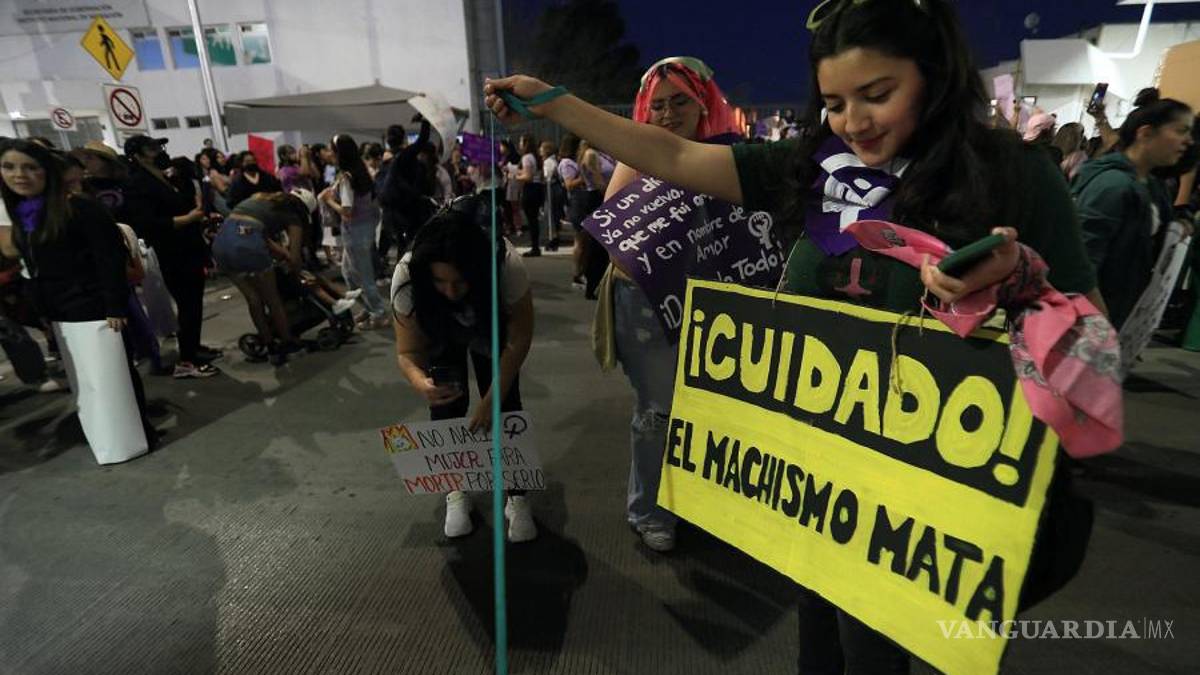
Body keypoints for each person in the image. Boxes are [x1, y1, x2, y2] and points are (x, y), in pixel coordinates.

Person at [486, 0, 1107, 670]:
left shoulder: (1016, 178)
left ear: (936, 75)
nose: (853, 123)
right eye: (835, 102)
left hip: (926, 498)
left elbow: (1095, 356)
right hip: (820, 491)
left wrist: (1018, 281)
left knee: (873, 651)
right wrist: (554, 102)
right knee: (820, 645)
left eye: (877, 94)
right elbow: (671, 153)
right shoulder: (819, 167)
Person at [594, 55, 742, 553]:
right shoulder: (637, 156)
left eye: (680, 101)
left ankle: (695, 501)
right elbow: (615, 236)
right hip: (646, 303)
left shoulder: (725, 155)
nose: (667, 113)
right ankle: (650, 510)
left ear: (703, 104)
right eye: (657, 104)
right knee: (657, 410)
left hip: (715, 302)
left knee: (707, 408)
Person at [390, 198, 537, 542]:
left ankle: (516, 495)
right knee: (444, 400)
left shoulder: (505, 264)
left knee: (505, 402)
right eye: (441, 281)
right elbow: (408, 351)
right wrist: (420, 382)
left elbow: (520, 337)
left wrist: (494, 394)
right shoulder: (408, 275)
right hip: (439, 327)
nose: (451, 290)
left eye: (460, 281)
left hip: (490, 320)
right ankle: (455, 489)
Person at [1, 139, 156, 462]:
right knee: (88, 382)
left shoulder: (79, 206)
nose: (20, 175)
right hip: (58, 311)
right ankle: (108, 438)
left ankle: (132, 437)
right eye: (9, 167)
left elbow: (108, 257)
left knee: (112, 377)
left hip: (91, 307)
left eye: (30, 167)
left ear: (47, 171)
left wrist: (114, 305)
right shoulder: (27, 212)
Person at [1072, 88, 1194, 330]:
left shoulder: (1150, 184)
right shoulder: (1113, 186)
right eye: (1180, 131)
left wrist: (1179, 225)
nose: (1188, 141)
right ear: (1145, 133)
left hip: (1119, 315)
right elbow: (1084, 262)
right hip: (1093, 321)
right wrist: (1099, 325)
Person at [123, 134, 220, 378]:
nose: (158, 150)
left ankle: (193, 348)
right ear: (137, 153)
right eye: (151, 147)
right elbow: (148, 222)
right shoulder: (138, 182)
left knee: (194, 301)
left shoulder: (162, 175)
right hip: (173, 249)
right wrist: (187, 219)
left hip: (187, 244)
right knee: (187, 302)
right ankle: (186, 360)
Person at [211, 190, 313, 364]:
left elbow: (260, 234)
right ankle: (287, 342)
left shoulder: (258, 198)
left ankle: (269, 345)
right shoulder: (293, 216)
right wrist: (298, 271)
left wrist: (283, 255)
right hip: (248, 245)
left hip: (221, 244)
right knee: (272, 299)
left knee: (253, 298)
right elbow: (295, 257)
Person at [324, 134, 387, 329]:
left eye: (330, 150)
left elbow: (347, 211)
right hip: (365, 228)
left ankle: (378, 313)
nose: (327, 153)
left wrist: (328, 200)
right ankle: (368, 308)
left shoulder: (347, 178)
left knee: (361, 274)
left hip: (355, 231)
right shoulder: (361, 172)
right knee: (349, 272)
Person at [516, 135, 545, 257]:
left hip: (530, 189)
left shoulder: (527, 157)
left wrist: (516, 177)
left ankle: (535, 247)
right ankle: (535, 246)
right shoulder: (535, 156)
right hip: (538, 188)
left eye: (521, 141)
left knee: (532, 220)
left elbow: (528, 177)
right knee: (534, 220)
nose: (519, 144)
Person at [539, 141, 562, 251]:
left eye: (542, 148)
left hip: (551, 188)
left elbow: (548, 176)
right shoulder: (553, 160)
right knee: (553, 213)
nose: (540, 150)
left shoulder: (548, 161)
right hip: (555, 188)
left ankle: (552, 238)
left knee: (550, 214)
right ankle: (553, 237)